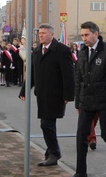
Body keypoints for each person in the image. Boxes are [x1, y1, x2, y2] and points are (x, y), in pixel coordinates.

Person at [70, 21, 106, 177]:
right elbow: (78, 77)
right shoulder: (82, 51)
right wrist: (78, 103)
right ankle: (81, 172)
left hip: (105, 101)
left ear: (95, 33)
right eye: (82, 35)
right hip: (87, 101)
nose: (84, 38)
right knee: (81, 136)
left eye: (86, 35)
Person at [19, 24, 75, 167]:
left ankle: (54, 153)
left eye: (44, 33)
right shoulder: (37, 50)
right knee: (48, 125)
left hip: (56, 94)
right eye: (40, 33)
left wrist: (68, 94)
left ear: (51, 34)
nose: (41, 35)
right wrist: (24, 90)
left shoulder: (62, 50)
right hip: (42, 94)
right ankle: (50, 151)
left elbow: (68, 74)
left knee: (46, 124)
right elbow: (31, 73)